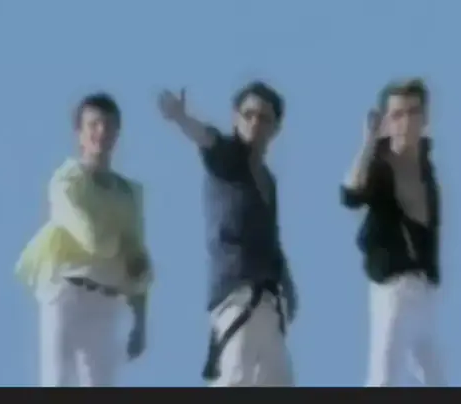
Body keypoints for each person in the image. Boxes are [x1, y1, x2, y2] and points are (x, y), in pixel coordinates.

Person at [157, 81, 298, 387]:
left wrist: (287, 285)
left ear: (275, 128)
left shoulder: (267, 180)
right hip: (236, 293)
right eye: (248, 115)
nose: (255, 123)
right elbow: (206, 138)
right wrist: (182, 118)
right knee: (235, 376)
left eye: (264, 118)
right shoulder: (228, 157)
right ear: (236, 117)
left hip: (269, 299)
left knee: (278, 381)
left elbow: (271, 238)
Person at [15, 93, 152, 387]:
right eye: (94, 125)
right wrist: (122, 247)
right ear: (79, 133)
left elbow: (138, 261)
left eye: (109, 125)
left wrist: (140, 320)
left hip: (105, 300)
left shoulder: (128, 193)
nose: (101, 132)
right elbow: (92, 237)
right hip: (67, 293)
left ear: (117, 133)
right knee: (57, 382)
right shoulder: (66, 181)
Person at [340, 79, 446, 387]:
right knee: (384, 377)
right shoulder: (380, 166)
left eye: (413, 112)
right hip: (393, 288)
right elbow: (350, 194)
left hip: (423, 290)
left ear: (425, 117)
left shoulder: (427, 168)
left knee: (435, 380)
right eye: (398, 115)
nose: (407, 122)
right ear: (387, 122)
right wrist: (368, 143)